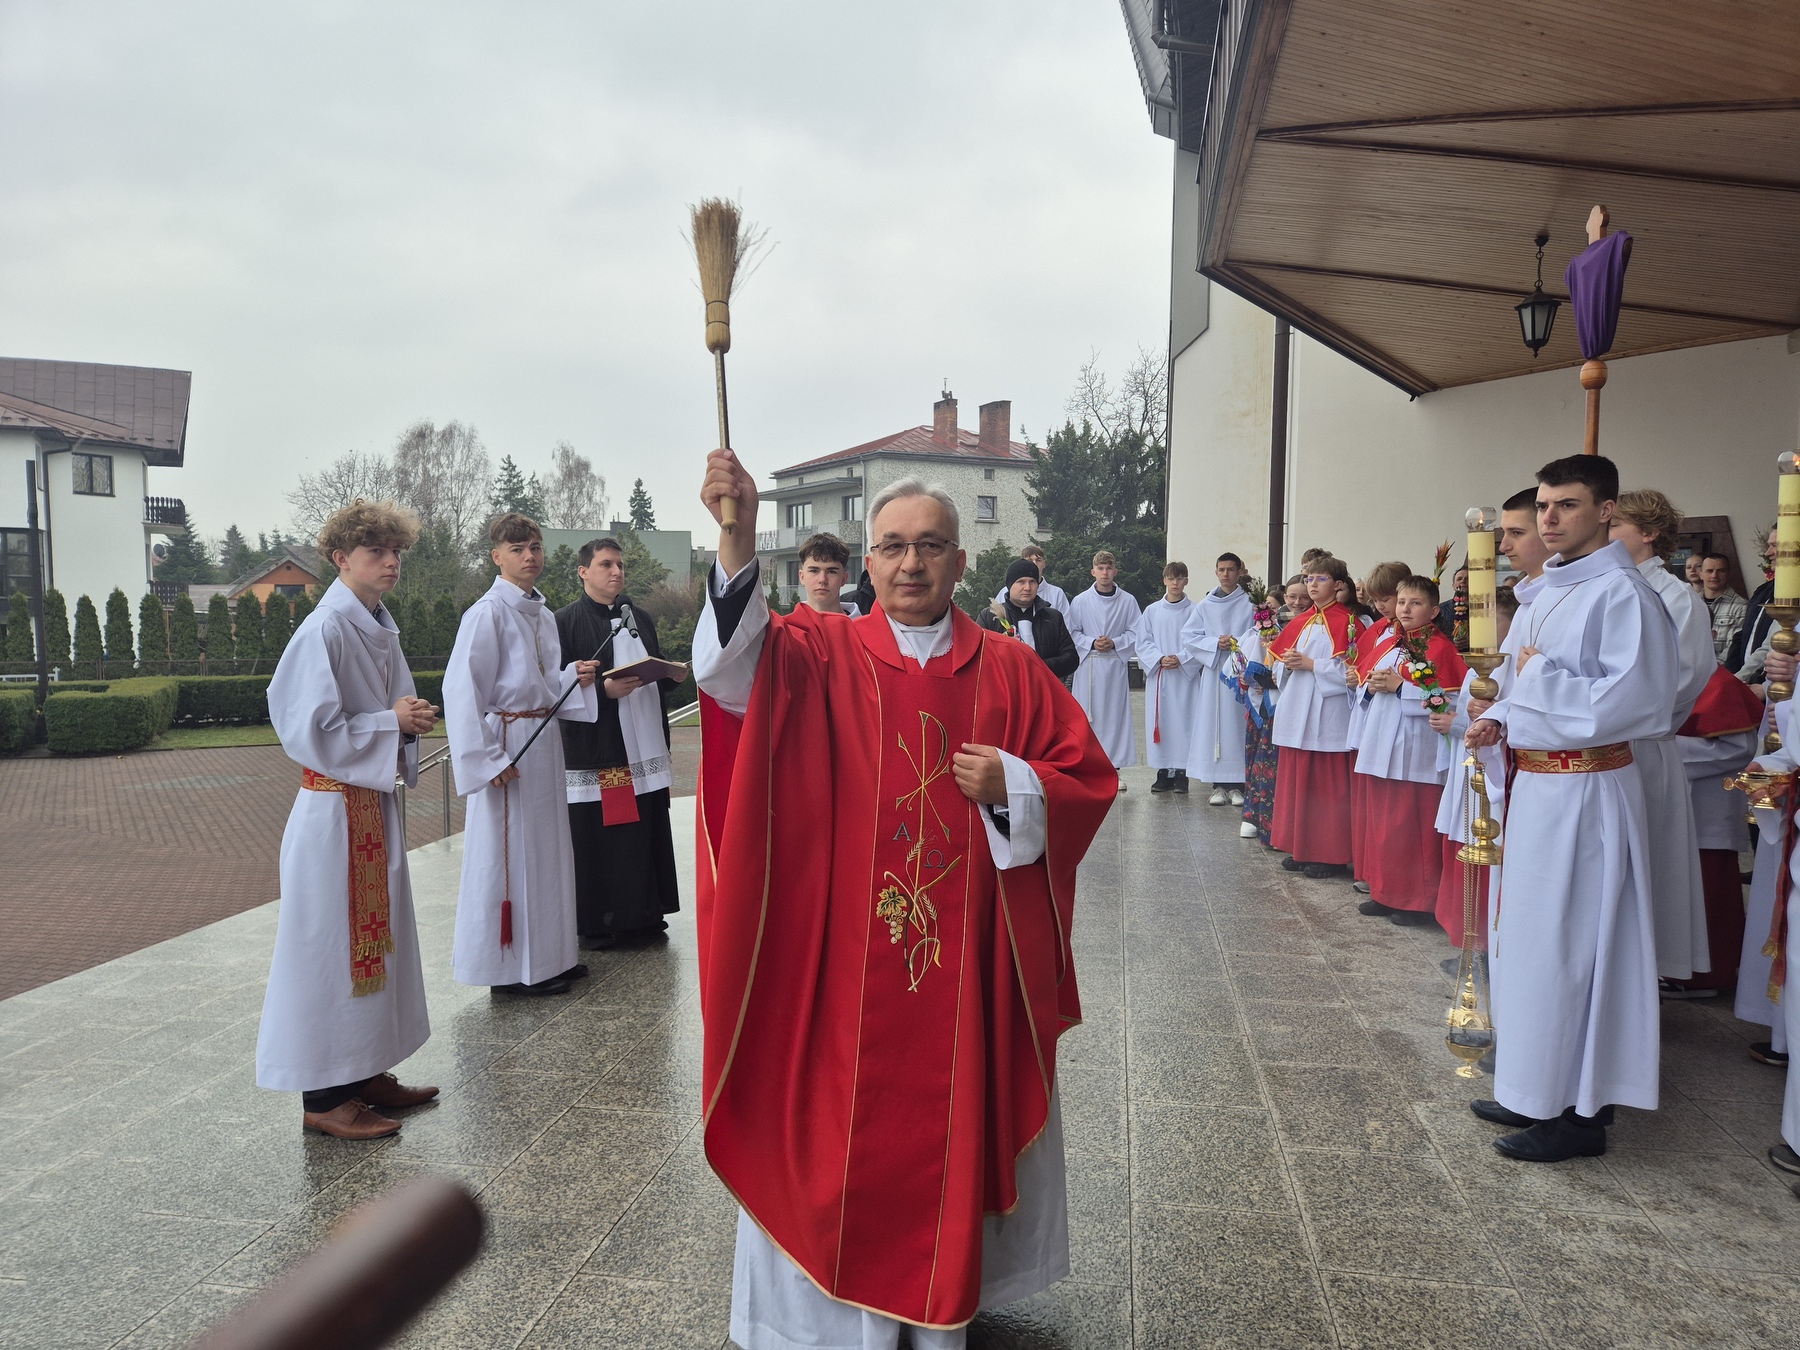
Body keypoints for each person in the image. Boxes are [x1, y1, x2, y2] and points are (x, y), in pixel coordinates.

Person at [692, 455, 1115, 1349]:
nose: (910, 564)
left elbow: (1089, 779)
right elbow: (729, 673)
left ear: (962, 563)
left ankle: (940, 1296)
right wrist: (736, 535)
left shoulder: (1010, 669)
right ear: (866, 564)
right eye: (891, 548)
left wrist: (1018, 782)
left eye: (929, 547)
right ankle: (831, 1317)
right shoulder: (817, 653)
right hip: (841, 958)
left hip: (965, 972)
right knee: (832, 1121)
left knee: (949, 1119)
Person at [1465, 454, 1677, 1162]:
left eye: (1567, 506)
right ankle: (1534, 1085)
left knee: (1576, 949)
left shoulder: (1623, 595)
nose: (1550, 519)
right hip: (1539, 788)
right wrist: (1502, 720)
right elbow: (1525, 693)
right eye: (1545, 506)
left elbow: (1639, 703)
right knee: (1530, 945)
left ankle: (1580, 1115)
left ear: (1606, 511)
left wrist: (1535, 682)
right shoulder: (1545, 592)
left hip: (1587, 793)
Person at [256, 499, 440, 1140]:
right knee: (332, 951)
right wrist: (394, 722)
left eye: (396, 552)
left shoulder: (374, 623)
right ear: (340, 559)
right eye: (375, 553)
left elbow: (388, 707)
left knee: (375, 945)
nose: (391, 563)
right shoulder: (325, 629)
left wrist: (405, 716)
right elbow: (305, 728)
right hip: (333, 813)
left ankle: (363, 1071)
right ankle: (324, 1098)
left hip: (366, 806)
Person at [446, 513, 600, 997]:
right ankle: (510, 971)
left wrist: (571, 678)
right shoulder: (486, 613)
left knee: (549, 851)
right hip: (509, 743)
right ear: (497, 557)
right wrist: (487, 759)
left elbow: (540, 683)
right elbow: (461, 690)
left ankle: (552, 955)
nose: (529, 556)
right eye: (517, 549)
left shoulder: (543, 614)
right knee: (510, 857)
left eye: (534, 547)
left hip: (543, 740)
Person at [1433, 490, 1549, 955]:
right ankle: (1472, 939)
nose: (1503, 546)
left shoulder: (1534, 611)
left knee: (1495, 855)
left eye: (1516, 534)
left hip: (1529, 767)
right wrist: (1488, 713)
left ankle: (1485, 943)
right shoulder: (1526, 612)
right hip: (1488, 757)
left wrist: (1496, 713)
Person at [1609, 489, 1716, 992]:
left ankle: (1639, 981)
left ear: (1650, 533)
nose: (1604, 536)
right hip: (1600, 749)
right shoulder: (1608, 587)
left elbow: (1683, 680)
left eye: (1616, 527)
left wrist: (1609, 711)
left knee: (1645, 870)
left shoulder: (1678, 598)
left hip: (1643, 746)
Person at [556, 536, 682, 951]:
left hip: (644, 743)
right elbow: (555, 689)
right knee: (613, 832)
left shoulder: (639, 617)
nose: (616, 572)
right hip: (605, 749)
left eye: (620, 565)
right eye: (607, 564)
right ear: (583, 572)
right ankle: (604, 921)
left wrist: (666, 674)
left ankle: (645, 912)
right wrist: (602, 693)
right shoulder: (565, 622)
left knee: (645, 827)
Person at [1349, 576, 1466, 925]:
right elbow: (1363, 685)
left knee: (1411, 824)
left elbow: (1451, 701)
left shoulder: (1442, 648)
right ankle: (1386, 892)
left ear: (1433, 611)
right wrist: (1369, 686)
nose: (1405, 609)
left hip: (1417, 747)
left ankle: (1417, 900)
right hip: (1382, 738)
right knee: (1385, 824)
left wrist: (1401, 688)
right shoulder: (1391, 644)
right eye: (1401, 602)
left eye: (1415, 603)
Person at [1268, 555, 1367, 880]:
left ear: (1338, 585)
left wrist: (1312, 665)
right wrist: (1285, 663)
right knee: (1299, 784)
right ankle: (1301, 847)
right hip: (1298, 710)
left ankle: (1330, 855)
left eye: (1320, 579)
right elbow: (1280, 664)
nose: (1312, 584)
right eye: (1309, 578)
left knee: (1326, 788)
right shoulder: (1300, 621)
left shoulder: (1351, 622)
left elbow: (1354, 672)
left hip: (1329, 714)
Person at [1674, 666, 1763, 995]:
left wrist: (1665, 750)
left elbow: (1739, 746)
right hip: (1676, 798)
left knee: (1711, 892)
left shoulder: (1719, 682)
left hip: (1709, 805)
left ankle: (1709, 975)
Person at [1346, 561, 1411, 895]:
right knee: (1376, 812)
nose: (1384, 607)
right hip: (1376, 724)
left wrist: (1398, 687)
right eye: (1379, 600)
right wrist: (1363, 684)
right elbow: (1364, 669)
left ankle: (1395, 888)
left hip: (1406, 736)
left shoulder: (1422, 639)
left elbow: (1438, 690)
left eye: (1390, 598)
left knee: (1398, 817)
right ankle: (1375, 876)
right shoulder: (1384, 633)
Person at [1181, 554, 1255, 804]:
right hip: (1215, 672)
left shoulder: (1250, 603)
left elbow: (1258, 633)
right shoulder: (1205, 605)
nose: (1225, 574)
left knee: (1237, 725)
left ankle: (1237, 785)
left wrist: (1237, 643)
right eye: (1221, 570)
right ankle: (1218, 786)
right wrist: (1215, 642)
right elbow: (1190, 636)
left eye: (1230, 570)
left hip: (1240, 671)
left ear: (1240, 572)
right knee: (1215, 725)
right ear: (1216, 572)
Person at [1066, 550, 1142, 788]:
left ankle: (1114, 770)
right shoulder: (1080, 601)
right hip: (1089, 665)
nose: (1105, 573)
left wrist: (1115, 643)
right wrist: (1091, 642)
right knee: (1088, 717)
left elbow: (1136, 632)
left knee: (1114, 719)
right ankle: (1088, 767)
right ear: (1093, 572)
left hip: (1114, 667)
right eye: (1100, 568)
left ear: (1115, 571)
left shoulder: (1128, 601)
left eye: (1109, 568)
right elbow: (1072, 632)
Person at [1129, 560, 1198, 793]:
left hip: (1185, 677)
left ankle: (1182, 774)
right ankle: (1163, 772)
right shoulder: (1152, 611)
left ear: (1186, 581)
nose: (1175, 583)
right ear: (1164, 581)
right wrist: (1159, 658)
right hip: (1160, 675)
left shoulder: (1195, 610)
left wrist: (1181, 657)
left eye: (1180, 578)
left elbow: (1199, 641)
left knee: (1184, 723)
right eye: (1171, 578)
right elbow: (1143, 641)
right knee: (1162, 723)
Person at [977, 558, 1078, 680]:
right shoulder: (990, 617)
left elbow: (1071, 658)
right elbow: (978, 657)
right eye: (1021, 582)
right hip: (1005, 689)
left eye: (1032, 582)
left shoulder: (1053, 617)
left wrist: (1039, 667)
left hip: (1043, 687)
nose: (1027, 588)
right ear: (1010, 585)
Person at [1726, 529, 1775, 675]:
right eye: (1768, 545)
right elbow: (1743, 635)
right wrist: (1730, 675)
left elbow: (1770, 646)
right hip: (1746, 681)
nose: (1767, 553)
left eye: (1775, 545)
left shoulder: (1791, 598)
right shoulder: (1762, 591)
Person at [992, 543, 1069, 615]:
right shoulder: (1006, 592)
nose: (1034, 563)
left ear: (1044, 564)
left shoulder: (1057, 594)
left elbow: (1066, 625)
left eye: (1038, 560)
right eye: (1029, 560)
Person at [797, 532, 861, 616]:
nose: (822, 579)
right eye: (814, 571)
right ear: (802, 577)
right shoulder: (786, 628)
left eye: (831, 572)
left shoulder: (864, 628)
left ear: (844, 579)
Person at [1698, 552, 1747, 662]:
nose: (1714, 575)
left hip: (1720, 672)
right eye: (1709, 571)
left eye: (1721, 571)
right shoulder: (1691, 603)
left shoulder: (1741, 606)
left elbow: (1733, 647)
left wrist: (1713, 672)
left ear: (1728, 574)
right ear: (1700, 574)